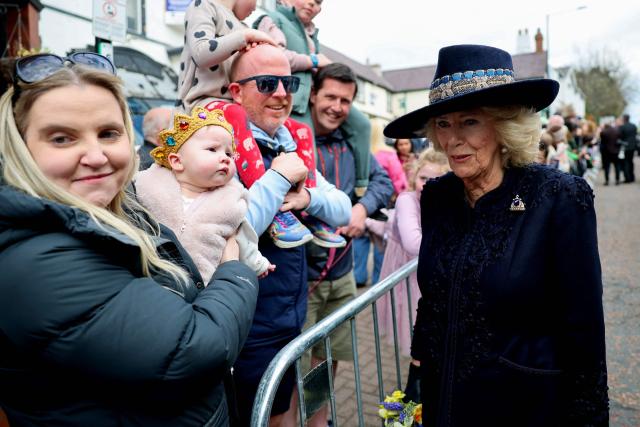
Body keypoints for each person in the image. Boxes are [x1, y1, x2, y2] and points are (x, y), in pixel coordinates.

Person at [0, 53, 259, 426]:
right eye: (61, 138)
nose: (96, 155)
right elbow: (194, 349)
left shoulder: (117, 208)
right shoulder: (35, 258)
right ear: (21, 148)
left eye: (108, 133)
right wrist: (234, 267)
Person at [385, 44, 608, 425]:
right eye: (443, 123)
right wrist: (416, 385)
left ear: (504, 125)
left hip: (524, 408)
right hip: (445, 404)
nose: (453, 139)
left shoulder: (558, 198)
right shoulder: (438, 196)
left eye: (469, 121)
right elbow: (435, 298)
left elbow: (584, 329)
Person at [227, 45, 351, 426]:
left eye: (289, 82)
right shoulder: (218, 146)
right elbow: (239, 225)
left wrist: (307, 196)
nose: (282, 93)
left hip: (288, 316)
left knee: (281, 408)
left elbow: (342, 208)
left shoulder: (291, 143)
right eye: (267, 83)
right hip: (248, 326)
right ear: (236, 92)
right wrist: (279, 178)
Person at [302, 63, 393, 427]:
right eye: (330, 97)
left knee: (329, 357)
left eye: (345, 100)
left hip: (341, 273)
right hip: (301, 276)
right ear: (312, 95)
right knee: (294, 363)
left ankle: (317, 421)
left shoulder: (352, 145)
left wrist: (361, 207)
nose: (337, 107)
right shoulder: (293, 138)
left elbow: (383, 183)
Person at [135, 106, 273, 283]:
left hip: (201, 287)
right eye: (212, 150)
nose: (225, 158)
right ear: (177, 161)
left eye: (229, 153)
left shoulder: (230, 201)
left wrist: (258, 264)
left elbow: (245, 241)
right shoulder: (147, 186)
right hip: (148, 279)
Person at [253, 0, 372, 197]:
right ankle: (307, 196)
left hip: (311, 95)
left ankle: (362, 184)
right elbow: (274, 55)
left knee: (363, 124)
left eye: (318, 2)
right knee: (309, 152)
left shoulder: (310, 33)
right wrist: (314, 60)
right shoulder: (274, 20)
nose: (312, 4)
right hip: (292, 99)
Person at [372, 148, 449, 357]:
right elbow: (414, 243)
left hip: (432, 269)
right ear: (414, 176)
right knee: (415, 324)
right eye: (423, 177)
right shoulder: (408, 200)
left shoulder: (445, 201)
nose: (428, 184)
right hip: (409, 269)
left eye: (437, 179)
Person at [599, 119, 622, 186]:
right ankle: (617, 180)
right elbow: (619, 141)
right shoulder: (617, 131)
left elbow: (602, 143)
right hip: (616, 152)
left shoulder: (603, 132)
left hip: (606, 152)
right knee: (617, 166)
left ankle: (607, 180)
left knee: (607, 167)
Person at [618, 113, 637, 183]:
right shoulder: (634, 126)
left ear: (624, 119)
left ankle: (627, 178)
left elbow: (620, 136)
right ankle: (632, 177)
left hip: (625, 147)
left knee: (626, 163)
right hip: (633, 146)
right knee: (631, 162)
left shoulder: (622, 127)